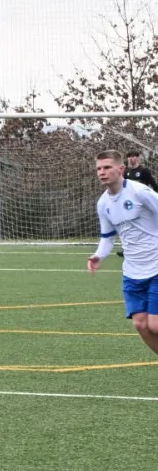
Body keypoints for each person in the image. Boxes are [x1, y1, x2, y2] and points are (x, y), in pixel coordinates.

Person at [89, 149, 158, 357]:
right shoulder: (103, 203)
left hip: (156, 265)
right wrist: (98, 255)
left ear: (121, 169)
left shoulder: (140, 192)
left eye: (107, 167)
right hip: (132, 271)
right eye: (99, 168)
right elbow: (107, 236)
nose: (102, 172)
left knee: (155, 325)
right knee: (140, 325)